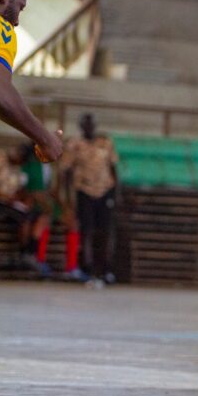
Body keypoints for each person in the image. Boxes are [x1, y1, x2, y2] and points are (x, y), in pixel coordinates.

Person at [0, 0, 63, 163]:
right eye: (20, 7)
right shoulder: (2, 28)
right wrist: (46, 139)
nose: (16, 21)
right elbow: (0, 92)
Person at [60, 113, 118, 283]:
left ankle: (106, 269)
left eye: (91, 124)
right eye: (85, 124)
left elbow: (114, 168)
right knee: (86, 231)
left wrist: (115, 194)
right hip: (84, 191)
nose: (89, 127)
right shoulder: (74, 145)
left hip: (105, 190)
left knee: (106, 232)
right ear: (81, 126)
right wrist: (67, 197)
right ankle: (88, 267)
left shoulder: (106, 143)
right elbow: (65, 172)